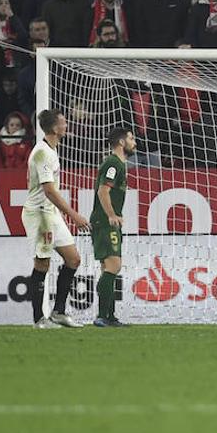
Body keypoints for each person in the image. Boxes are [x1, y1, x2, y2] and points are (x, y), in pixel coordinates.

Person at [23, 109, 92, 329]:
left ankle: (59, 312)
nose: (66, 125)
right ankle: (38, 319)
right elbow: (49, 191)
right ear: (54, 128)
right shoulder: (42, 153)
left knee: (73, 259)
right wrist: (74, 216)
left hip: (50, 213)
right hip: (40, 214)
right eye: (63, 122)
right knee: (42, 263)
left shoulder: (51, 150)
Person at [89, 126, 138, 327]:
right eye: (131, 138)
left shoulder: (118, 164)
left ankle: (109, 316)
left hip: (107, 221)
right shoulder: (113, 163)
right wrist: (111, 215)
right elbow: (103, 191)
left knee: (108, 268)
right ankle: (102, 316)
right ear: (121, 142)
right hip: (105, 221)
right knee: (113, 265)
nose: (134, 142)